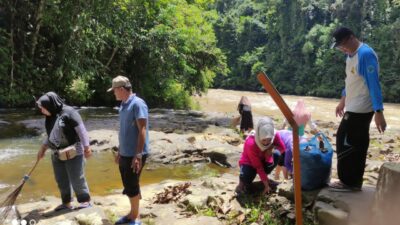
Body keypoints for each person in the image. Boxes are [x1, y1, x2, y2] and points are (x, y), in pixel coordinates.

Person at [329, 27, 387, 191]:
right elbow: (350, 80)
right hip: (352, 106)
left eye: (342, 45)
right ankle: (350, 181)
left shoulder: (366, 54)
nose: (342, 49)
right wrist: (342, 100)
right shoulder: (350, 56)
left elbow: (373, 84)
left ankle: (350, 182)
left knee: (348, 141)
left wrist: (379, 112)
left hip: (362, 108)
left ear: (351, 38)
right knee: (349, 141)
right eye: (339, 46)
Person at [36, 92, 92, 211]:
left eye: (43, 108)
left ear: (50, 105)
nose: (42, 111)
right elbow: (51, 135)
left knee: (77, 177)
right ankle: (66, 203)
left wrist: (87, 147)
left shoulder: (70, 112)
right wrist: (43, 148)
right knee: (61, 179)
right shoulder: (50, 116)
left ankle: (85, 201)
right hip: (57, 153)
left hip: (74, 151)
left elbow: (81, 130)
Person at [108, 75, 149, 225]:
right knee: (128, 183)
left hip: (136, 153)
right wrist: (120, 151)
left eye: (114, 90)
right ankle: (133, 214)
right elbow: (124, 130)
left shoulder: (138, 104)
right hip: (125, 152)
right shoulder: (124, 105)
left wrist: (137, 155)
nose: (114, 93)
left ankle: (135, 217)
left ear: (121, 89)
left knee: (132, 183)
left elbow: (142, 129)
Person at [236, 117, 285, 195]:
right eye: (264, 140)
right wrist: (266, 186)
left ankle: (266, 178)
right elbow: (258, 166)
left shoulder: (275, 134)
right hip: (249, 162)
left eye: (269, 140)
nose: (266, 143)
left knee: (277, 154)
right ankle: (242, 183)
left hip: (264, 159)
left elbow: (282, 148)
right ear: (258, 135)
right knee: (246, 179)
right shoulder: (251, 142)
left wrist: (271, 148)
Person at [276, 100, 317, 180]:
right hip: (300, 139)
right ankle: (291, 174)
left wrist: (281, 132)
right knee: (296, 158)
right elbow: (313, 126)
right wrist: (319, 136)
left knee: (284, 158)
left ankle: (282, 176)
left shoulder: (291, 113)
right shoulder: (306, 114)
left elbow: (284, 123)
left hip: (288, 138)